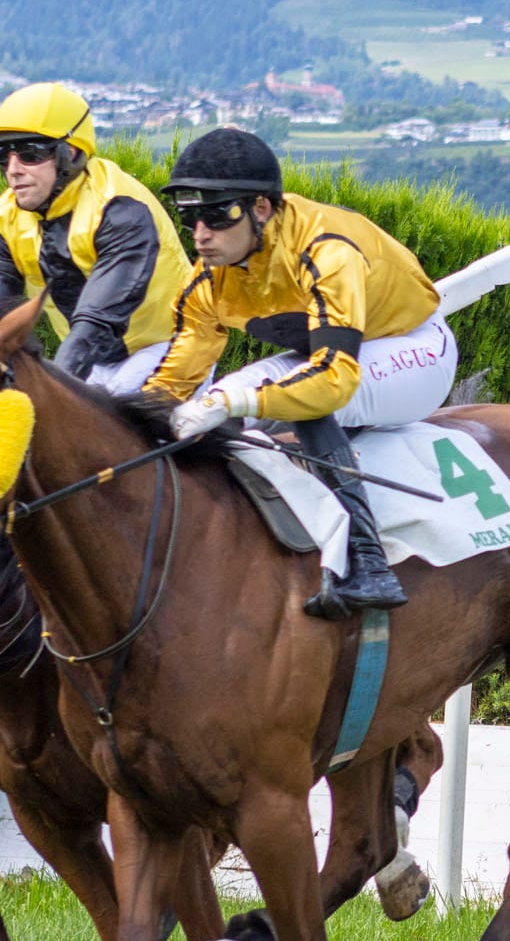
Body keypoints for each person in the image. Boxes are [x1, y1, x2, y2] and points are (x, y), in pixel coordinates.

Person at [149, 128, 457, 618]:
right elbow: (172, 383)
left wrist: (234, 404)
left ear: (261, 209)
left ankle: (368, 563)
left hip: (412, 347)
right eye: (190, 217)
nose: (200, 234)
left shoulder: (327, 251)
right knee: (227, 399)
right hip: (330, 352)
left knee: (297, 400)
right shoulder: (207, 278)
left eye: (216, 214)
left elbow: (333, 379)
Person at [0, 83, 193, 392]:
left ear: (71, 152)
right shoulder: (4, 216)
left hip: (169, 350)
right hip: (96, 361)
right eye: (4, 156)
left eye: (29, 154)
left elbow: (95, 326)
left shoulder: (119, 210)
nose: (13, 170)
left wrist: (49, 395)